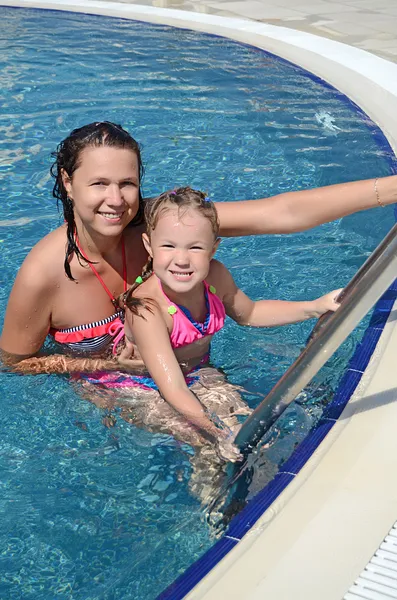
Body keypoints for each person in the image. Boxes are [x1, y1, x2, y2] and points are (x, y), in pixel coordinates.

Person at [0, 120, 396, 376]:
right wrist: (99, 363)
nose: (116, 200)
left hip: (188, 369)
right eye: (99, 183)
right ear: (68, 183)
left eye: (128, 183)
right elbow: (14, 364)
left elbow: (281, 213)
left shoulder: (161, 227)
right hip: (103, 394)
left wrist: (390, 190)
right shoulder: (45, 273)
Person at [111, 187, 341, 458]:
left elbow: (251, 313)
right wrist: (217, 433)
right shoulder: (147, 310)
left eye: (195, 247)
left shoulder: (215, 277)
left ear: (213, 248)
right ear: (149, 246)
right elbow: (172, 389)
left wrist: (314, 307)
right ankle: (213, 492)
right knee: (209, 447)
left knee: (249, 428)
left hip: (197, 373)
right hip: (140, 388)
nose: (182, 259)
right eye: (169, 245)